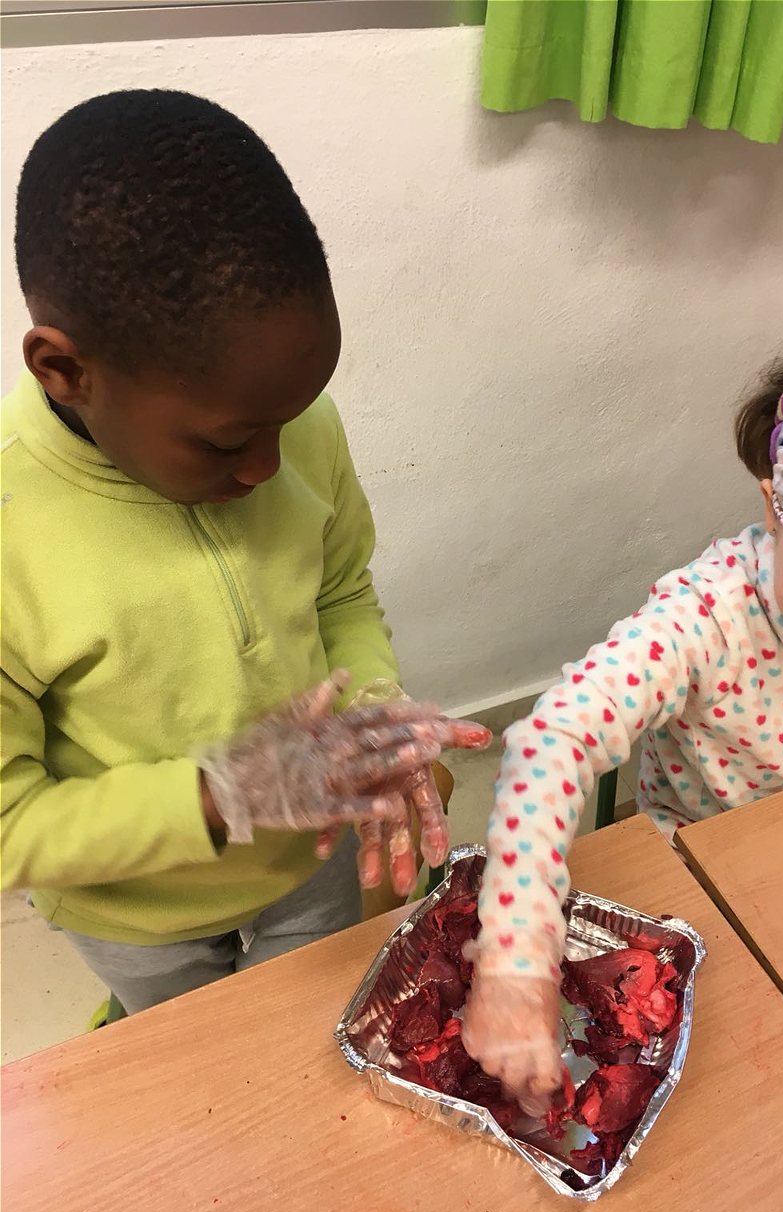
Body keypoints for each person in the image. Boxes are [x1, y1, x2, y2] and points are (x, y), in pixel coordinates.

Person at [0, 90, 490, 1015]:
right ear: (65, 371)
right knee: (199, 1056)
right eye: (227, 443)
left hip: (308, 858)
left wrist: (374, 710)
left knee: (305, 1029)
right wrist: (218, 793)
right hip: (134, 915)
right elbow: (10, 826)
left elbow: (340, 593)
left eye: (288, 423)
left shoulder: (292, 425)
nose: (269, 467)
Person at [461, 336, 783, 1113]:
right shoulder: (707, 615)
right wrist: (516, 954)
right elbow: (554, 737)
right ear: (772, 508)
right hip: (698, 873)